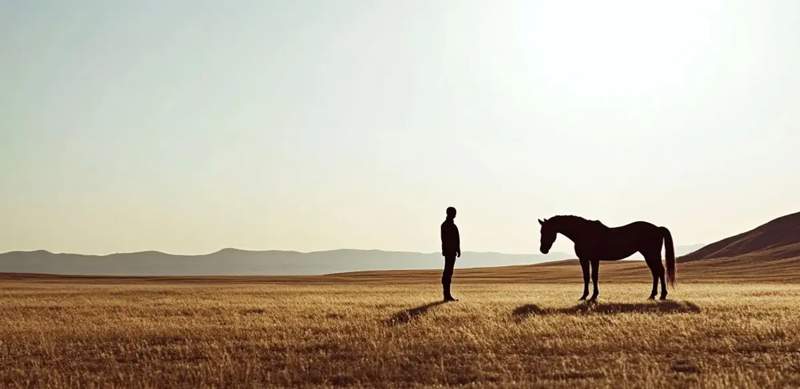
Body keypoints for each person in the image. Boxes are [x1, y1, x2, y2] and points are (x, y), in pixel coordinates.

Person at [440, 206, 461, 302]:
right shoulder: (445, 225)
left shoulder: (452, 225)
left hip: (452, 252)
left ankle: (447, 295)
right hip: (449, 252)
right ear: (449, 213)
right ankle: (446, 295)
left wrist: (458, 249)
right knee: (447, 273)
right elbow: (444, 239)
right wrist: (446, 250)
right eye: (454, 213)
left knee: (449, 272)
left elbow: (457, 239)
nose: (455, 215)